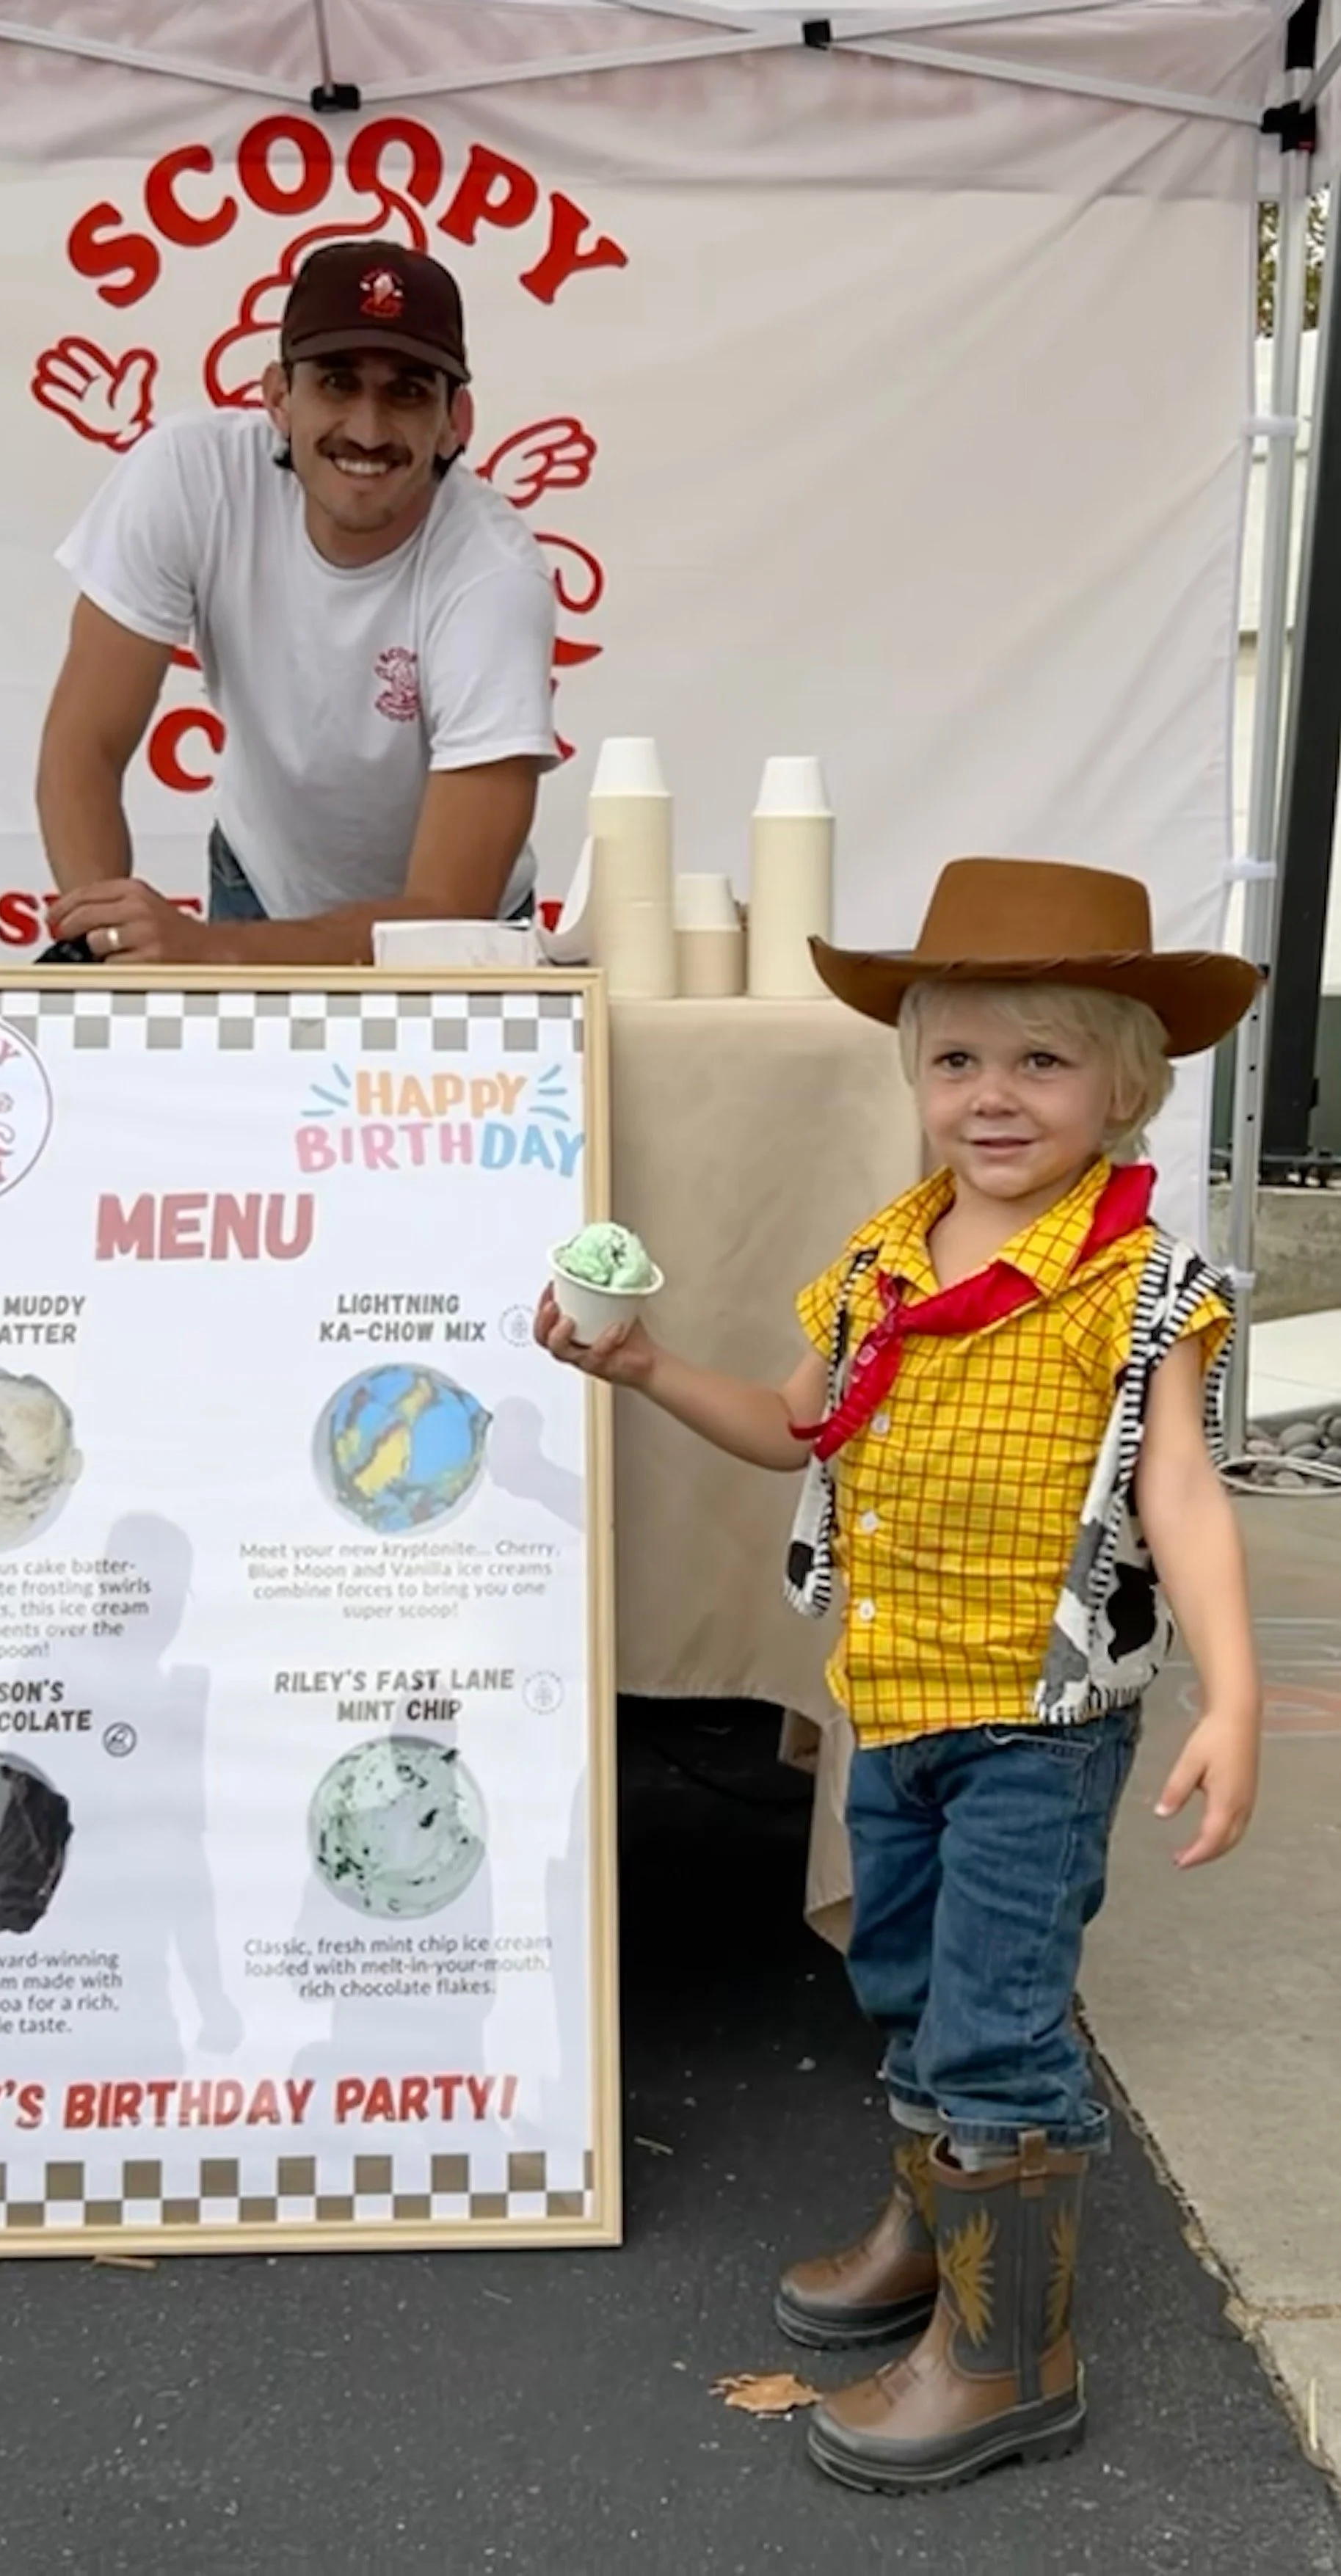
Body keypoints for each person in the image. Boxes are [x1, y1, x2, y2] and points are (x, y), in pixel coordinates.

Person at [537, 856, 1263, 2495]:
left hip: (1035, 1719)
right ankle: (935, 2230)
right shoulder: (885, 1251)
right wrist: (643, 1364)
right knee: (903, 1984)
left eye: (1040, 1061)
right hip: (895, 1694)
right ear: (911, 1079)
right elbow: (798, 1425)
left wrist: (1227, 1695)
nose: (990, 1097)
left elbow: (1178, 1499)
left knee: (999, 2025)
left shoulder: (1136, 1289)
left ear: (1124, 1084)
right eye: (954, 1061)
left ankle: (1012, 2357)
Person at [36, 239, 558, 965]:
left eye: (406, 391)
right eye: (338, 383)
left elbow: (445, 916)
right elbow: (81, 747)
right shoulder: (189, 474)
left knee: (414, 1088)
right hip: (254, 887)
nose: (367, 430)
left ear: (454, 422)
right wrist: (107, 942)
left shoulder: (493, 577)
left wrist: (206, 953)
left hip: (452, 932)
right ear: (278, 397)